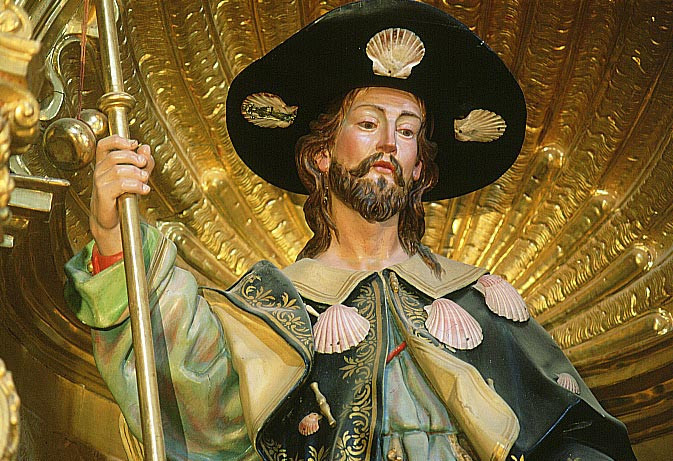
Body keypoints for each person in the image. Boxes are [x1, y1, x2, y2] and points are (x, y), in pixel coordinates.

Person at [64, 1, 636, 460]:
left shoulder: (478, 304)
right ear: (321, 155)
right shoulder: (274, 314)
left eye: (407, 132)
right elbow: (189, 393)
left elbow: (577, 437)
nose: (388, 144)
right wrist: (114, 233)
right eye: (367, 123)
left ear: (420, 168)